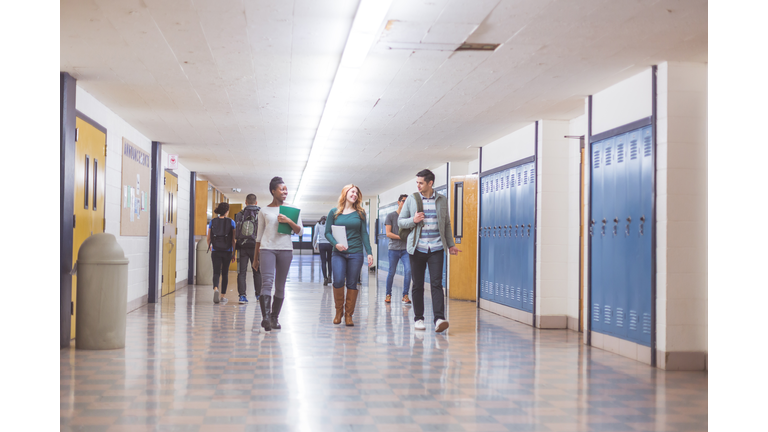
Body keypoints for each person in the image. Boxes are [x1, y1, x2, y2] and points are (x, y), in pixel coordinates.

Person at [398, 169, 461, 333]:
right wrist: (413, 220)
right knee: (417, 285)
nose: (418, 185)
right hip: (417, 248)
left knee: (436, 284)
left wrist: (450, 244)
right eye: (417, 182)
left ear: (430, 183)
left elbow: (446, 224)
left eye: (421, 182)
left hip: (436, 248)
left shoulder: (441, 200)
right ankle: (419, 319)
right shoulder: (412, 199)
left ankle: (439, 318)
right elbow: (400, 222)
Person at [252, 177, 303, 331]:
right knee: (267, 282)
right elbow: (259, 236)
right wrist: (255, 258)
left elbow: (300, 232)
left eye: (286, 189)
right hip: (267, 249)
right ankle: (266, 318)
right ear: (273, 191)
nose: (285, 192)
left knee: (280, 285)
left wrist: (288, 220)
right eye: (281, 189)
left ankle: (274, 318)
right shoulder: (264, 210)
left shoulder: (292, 210)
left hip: (285, 250)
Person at [325, 184, 373, 327]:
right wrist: (336, 244)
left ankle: (348, 315)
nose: (355, 195)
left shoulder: (360, 213)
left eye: (357, 193)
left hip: (356, 252)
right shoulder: (334, 212)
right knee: (338, 280)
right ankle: (338, 312)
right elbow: (327, 232)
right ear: (345, 193)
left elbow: (364, 233)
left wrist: (369, 252)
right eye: (352, 192)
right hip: (338, 253)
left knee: (352, 283)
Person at [384, 194, 412, 304]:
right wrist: (401, 237)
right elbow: (388, 233)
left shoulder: (409, 217)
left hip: (406, 249)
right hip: (393, 249)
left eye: (407, 201)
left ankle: (405, 295)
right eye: (403, 201)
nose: (405, 203)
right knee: (391, 272)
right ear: (398, 202)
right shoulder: (390, 216)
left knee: (408, 271)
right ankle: (388, 294)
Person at [207, 202, 237, 304]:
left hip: (216, 250)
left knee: (216, 272)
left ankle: (216, 288)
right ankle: (223, 296)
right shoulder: (232, 222)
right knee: (225, 273)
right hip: (227, 251)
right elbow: (233, 240)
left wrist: (210, 247)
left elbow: (208, 238)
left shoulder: (212, 221)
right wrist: (233, 253)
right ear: (227, 211)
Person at [235, 193, 261, 304]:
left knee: (242, 272)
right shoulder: (260, 214)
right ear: (256, 202)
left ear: (245, 202)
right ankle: (259, 295)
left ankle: (242, 296)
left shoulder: (239, 214)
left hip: (242, 247)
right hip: (256, 246)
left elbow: (236, 233)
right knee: (257, 271)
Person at [312, 215, 333, 286]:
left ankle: (325, 278)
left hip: (321, 244)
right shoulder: (330, 224)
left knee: (323, 261)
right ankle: (330, 276)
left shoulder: (318, 224)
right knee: (330, 261)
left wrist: (314, 245)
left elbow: (315, 235)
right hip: (330, 244)